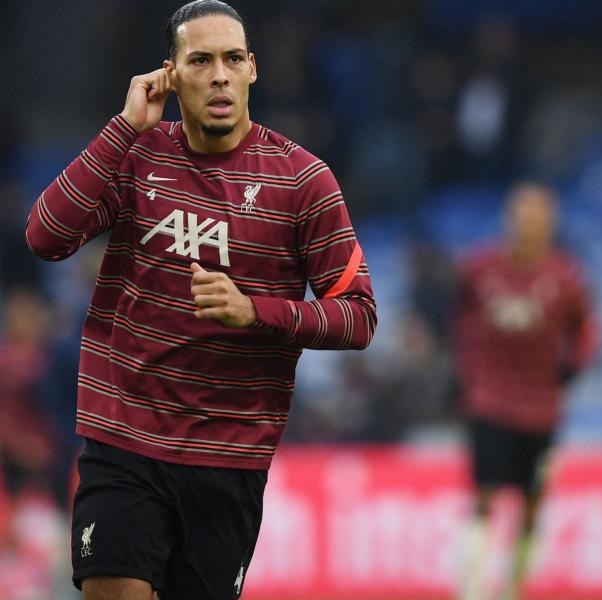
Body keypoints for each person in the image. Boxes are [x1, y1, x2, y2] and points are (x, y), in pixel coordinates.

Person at [24, 2, 376, 598]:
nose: (219, 74)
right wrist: (122, 128)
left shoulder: (303, 181)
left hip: (229, 456)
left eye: (233, 59)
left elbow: (358, 316)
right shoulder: (136, 153)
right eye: (201, 60)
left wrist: (257, 312)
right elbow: (45, 237)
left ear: (253, 70)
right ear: (171, 74)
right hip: (125, 437)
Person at [454, 183, 596, 600]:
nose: (530, 225)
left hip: (541, 411)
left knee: (532, 505)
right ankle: (473, 589)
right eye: (523, 216)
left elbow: (586, 331)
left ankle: (515, 588)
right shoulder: (481, 268)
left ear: (550, 224)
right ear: (510, 219)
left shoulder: (566, 277)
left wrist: (571, 369)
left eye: (538, 217)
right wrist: (470, 371)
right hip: (491, 403)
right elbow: (459, 318)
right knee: (484, 497)